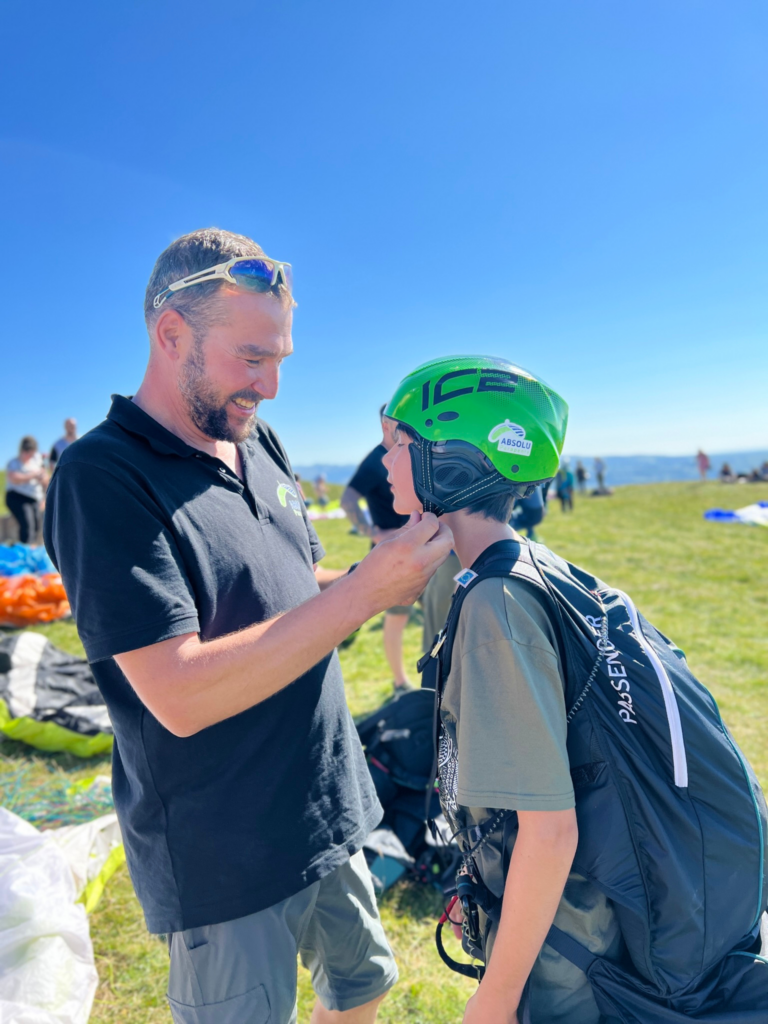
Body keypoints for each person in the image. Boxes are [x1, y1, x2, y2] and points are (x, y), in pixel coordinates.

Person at [44, 228, 453, 1024]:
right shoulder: (101, 476)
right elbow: (179, 692)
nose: (268, 386)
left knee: (361, 988)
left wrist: (411, 567)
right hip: (223, 849)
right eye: (250, 358)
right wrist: (368, 590)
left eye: (280, 361)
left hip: (327, 802)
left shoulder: (255, 439)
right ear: (170, 334)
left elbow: (293, 586)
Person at [382, 356, 609, 1024]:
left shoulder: (495, 605)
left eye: (397, 443)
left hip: (566, 952)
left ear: (448, 462)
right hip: (581, 924)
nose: (385, 461)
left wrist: (497, 997)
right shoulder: (533, 564)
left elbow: (549, 832)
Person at [342, 408, 416, 692]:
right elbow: (348, 499)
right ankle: (400, 683)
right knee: (397, 619)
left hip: (420, 548)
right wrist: (374, 533)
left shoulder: (407, 452)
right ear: (386, 425)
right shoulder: (376, 461)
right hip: (393, 557)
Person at [5, 436, 48, 544]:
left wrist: (44, 498)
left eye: (31, 452)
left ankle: (30, 548)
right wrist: (33, 475)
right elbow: (14, 478)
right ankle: (24, 550)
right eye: (27, 452)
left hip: (34, 498)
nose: (29, 455)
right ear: (22, 450)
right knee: (27, 524)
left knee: (37, 525)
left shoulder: (37, 462)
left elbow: (45, 481)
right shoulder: (14, 463)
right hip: (17, 496)